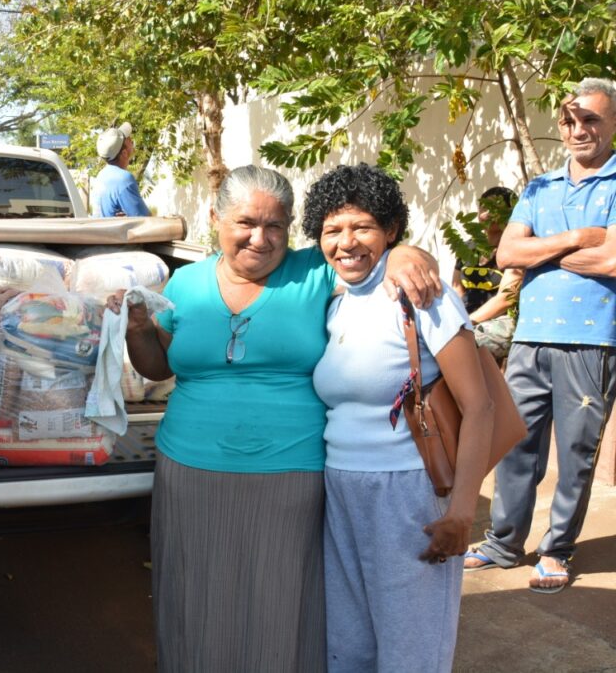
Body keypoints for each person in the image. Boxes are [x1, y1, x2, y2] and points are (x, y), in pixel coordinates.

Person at [121, 165, 440, 672]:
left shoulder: (315, 271)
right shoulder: (184, 283)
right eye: (246, 222)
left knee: (283, 601)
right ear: (214, 218)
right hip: (191, 468)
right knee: (198, 597)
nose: (261, 238)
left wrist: (406, 251)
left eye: (276, 226)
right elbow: (157, 365)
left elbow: (367, 252)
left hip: (293, 473)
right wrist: (138, 330)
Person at [303, 164, 493, 672]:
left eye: (362, 226)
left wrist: (461, 512)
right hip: (340, 490)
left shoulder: (423, 297)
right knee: (350, 645)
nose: (346, 242)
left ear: (390, 230)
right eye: (332, 230)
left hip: (406, 494)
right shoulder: (337, 304)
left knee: (412, 649)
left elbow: (480, 406)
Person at [463, 77, 616, 593]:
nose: (579, 130)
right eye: (570, 120)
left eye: (591, 119)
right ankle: (503, 544)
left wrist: (541, 251)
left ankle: (556, 550)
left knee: (576, 453)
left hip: (592, 341)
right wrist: (576, 240)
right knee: (514, 444)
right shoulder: (539, 187)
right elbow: (507, 254)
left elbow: (615, 260)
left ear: (612, 122)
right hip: (530, 336)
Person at [450, 186, 524, 361]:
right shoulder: (468, 247)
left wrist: (467, 322)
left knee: (461, 348)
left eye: (494, 208)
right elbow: (456, 288)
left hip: (500, 323)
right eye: (483, 207)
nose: (486, 214)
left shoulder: (515, 248)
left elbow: (505, 300)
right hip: (466, 320)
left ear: (509, 211)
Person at [91, 122, 151, 217]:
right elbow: (145, 221)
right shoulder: (123, 179)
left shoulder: (101, 175)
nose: (131, 140)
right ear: (124, 153)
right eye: (128, 139)